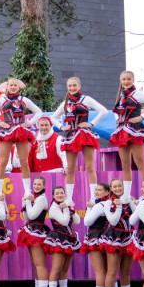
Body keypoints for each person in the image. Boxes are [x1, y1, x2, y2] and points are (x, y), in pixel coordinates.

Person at [50, 77, 107, 206]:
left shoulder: (86, 99)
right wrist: (61, 127)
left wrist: (91, 123)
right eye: (69, 86)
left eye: (74, 85)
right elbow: (53, 117)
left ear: (79, 86)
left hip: (84, 133)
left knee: (90, 167)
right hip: (70, 134)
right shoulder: (65, 102)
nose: (72, 88)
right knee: (70, 169)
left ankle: (94, 197)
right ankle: (69, 199)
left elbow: (103, 110)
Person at [0, 78, 42, 198]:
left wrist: (29, 122)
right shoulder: (2, 100)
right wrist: (0, 123)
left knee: (24, 162)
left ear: (18, 87)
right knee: (3, 162)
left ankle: (27, 191)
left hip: (21, 130)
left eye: (15, 85)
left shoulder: (24, 100)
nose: (13, 87)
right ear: (7, 87)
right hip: (6, 130)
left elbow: (39, 112)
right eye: (11, 85)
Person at [108, 71, 144, 196]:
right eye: (123, 79)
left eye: (128, 79)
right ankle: (126, 195)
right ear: (120, 80)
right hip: (122, 130)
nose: (126, 81)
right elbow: (115, 109)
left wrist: (142, 117)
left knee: (140, 162)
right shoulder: (121, 95)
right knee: (125, 164)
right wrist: (117, 119)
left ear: (133, 80)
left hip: (135, 130)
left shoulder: (138, 94)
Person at [100, 178, 140, 287]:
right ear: (111, 189)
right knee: (112, 271)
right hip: (114, 237)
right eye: (115, 187)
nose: (117, 189)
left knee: (126, 271)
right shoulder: (108, 203)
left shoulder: (128, 200)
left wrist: (131, 202)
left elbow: (136, 217)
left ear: (124, 187)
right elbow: (113, 220)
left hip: (128, 236)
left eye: (120, 186)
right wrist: (117, 206)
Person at [43, 186, 80, 287]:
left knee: (65, 269)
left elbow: (77, 221)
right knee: (56, 268)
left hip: (70, 239)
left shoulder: (66, 206)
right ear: (53, 196)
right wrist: (67, 209)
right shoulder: (53, 208)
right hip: (58, 238)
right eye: (57, 193)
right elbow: (64, 221)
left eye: (62, 193)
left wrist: (70, 208)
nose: (60, 195)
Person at [18, 176, 50, 287]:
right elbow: (26, 217)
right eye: (35, 184)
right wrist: (25, 203)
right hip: (31, 229)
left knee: (40, 263)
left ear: (44, 186)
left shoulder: (41, 199)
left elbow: (32, 215)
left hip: (38, 231)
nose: (36, 186)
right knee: (35, 263)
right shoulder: (35, 198)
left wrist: (27, 202)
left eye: (39, 184)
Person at [83, 183, 112, 287]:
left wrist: (89, 208)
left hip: (95, 236)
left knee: (100, 270)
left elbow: (87, 222)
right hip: (104, 236)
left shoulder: (100, 205)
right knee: (105, 269)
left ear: (107, 192)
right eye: (96, 190)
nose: (96, 192)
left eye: (100, 190)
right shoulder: (107, 203)